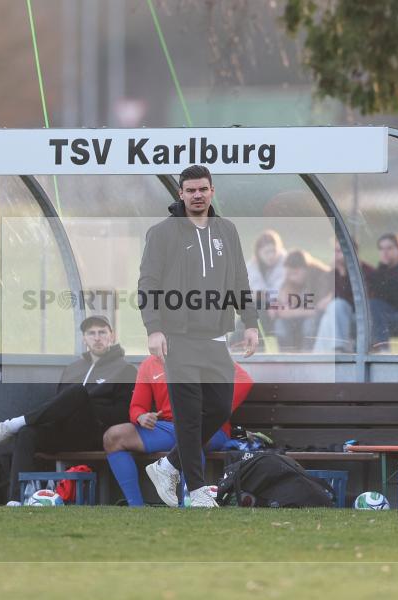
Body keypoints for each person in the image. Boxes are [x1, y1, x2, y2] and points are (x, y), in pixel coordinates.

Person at [138, 164, 259, 508]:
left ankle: (168, 465)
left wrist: (250, 323)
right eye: (190, 190)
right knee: (188, 415)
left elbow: (239, 281)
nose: (197, 195)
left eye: (202, 189)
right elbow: (148, 283)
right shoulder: (162, 233)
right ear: (180, 193)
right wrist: (154, 328)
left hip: (216, 338)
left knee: (219, 407)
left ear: (212, 191)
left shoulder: (227, 230)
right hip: (178, 338)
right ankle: (195, 489)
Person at [0, 315, 137, 504]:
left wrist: (88, 405)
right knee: (27, 434)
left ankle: (12, 425)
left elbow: (123, 413)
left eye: (102, 332)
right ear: (84, 338)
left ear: (112, 336)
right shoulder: (73, 368)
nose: (97, 337)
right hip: (66, 432)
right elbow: (56, 405)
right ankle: (15, 500)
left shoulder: (125, 370)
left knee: (77, 392)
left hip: (97, 433)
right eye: (91, 333)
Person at [102, 357, 254, 506]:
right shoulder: (149, 364)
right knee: (113, 437)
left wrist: (215, 408)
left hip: (209, 428)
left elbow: (244, 380)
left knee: (192, 436)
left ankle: (190, 502)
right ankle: (135, 506)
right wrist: (141, 416)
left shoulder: (203, 352)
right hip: (169, 427)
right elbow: (137, 406)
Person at [313, 239, 374, 353]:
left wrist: (343, 273)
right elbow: (323, 298)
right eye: (335, 251)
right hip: (338, 316)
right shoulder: (333, 273)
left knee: (337, 305)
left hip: (360, 316)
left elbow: (360, 301)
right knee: (328, 317)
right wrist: (335, 272)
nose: (337, 255)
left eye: (340, 251)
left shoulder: (367, 271)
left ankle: (337, 349)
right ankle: (323, 355)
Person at [269, 249, 331, 352]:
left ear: (305, 269)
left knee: (309, 325)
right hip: (298, 319)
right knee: (280, 325)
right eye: (288, 274)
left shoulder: (322, 278)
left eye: (294, 273)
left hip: (315, 320)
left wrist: (291, 312)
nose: (291, 278)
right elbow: (280, 302)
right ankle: (285, 358)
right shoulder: (290, 280)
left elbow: (318, 310)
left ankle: (307, 357)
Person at [368, 233, 398, 349]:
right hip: (386, 313)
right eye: (381, 248)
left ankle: (383, 349)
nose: (384, 252)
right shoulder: (382, 271)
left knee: (374, 306)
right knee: (370, 311)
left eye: (389, 248)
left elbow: (395, 296)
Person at [246, 230, 287, 334]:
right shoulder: (252, 266)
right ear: (258, 253)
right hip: (265, 307)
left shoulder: (285, 262)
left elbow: (277, 291)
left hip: (284, 305)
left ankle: (251, 343)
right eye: (266, 252)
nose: (271, 255)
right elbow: (256, 292)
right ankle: (235, 344)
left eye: (273, 251)